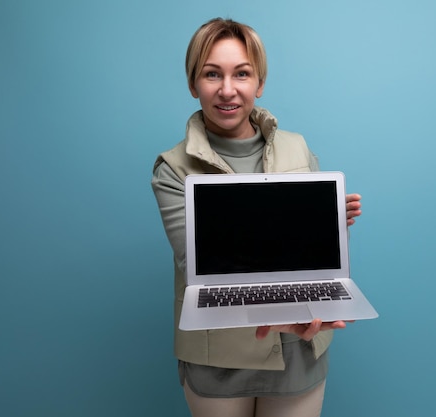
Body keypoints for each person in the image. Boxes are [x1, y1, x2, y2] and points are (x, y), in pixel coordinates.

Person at [151, 18, 362, 417]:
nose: (227, 90)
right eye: (212, 74)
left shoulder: (297, 148)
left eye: (242, 74)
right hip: (219, 358)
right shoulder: (174, 168)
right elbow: (198, 265)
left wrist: (333, 227)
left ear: (259, 83)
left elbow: (314, 259)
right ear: (193, 83)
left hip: (299, 351)